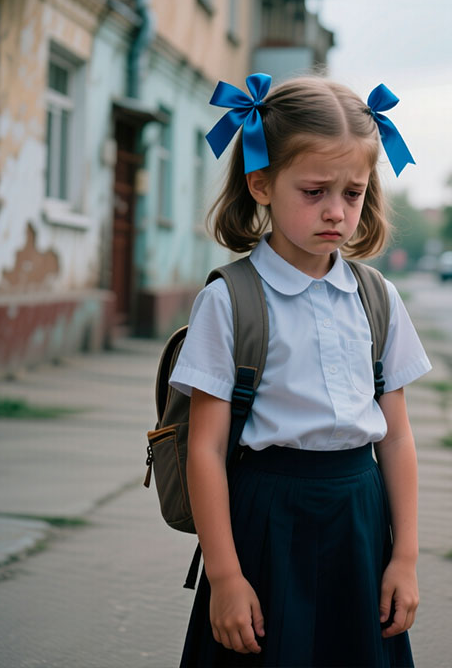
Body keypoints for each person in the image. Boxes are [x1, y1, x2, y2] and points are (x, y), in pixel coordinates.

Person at [169, 73, 431, 667]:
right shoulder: (229, 300)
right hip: (265, 522)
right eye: (314, 191)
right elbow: (205, 451)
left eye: (353, 192)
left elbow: (398, 437)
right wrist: (227, 577)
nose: (337, 212)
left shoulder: (377, 297)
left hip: (360, 521)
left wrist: (406, 558)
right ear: (261, 184)